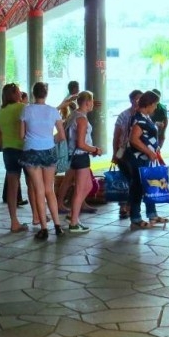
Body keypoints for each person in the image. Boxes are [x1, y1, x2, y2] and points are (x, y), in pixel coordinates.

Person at [19, 82, 66, 239]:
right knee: (49, 190)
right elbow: (61, 135)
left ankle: (44, 228)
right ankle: (58, 225)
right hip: (49, 150)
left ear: (33, 94)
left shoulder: (26, 110)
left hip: (31, 151)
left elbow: (21, 135)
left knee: (38, 190)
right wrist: (48, 139)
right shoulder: (53, 111)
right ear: (46, 94)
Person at [127, 90, 169, 230]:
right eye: (155, 104)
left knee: (148, 185)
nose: (156, 107)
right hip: (139, 158)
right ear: (149, 104)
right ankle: (136, 218)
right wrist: (148, 151)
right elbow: (133, 139)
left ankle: (152, 214)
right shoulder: (139, 118)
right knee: (138, 188)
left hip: (146, 158)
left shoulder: (145, 117)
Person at [0, 83, 35, 233]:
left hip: (8, 150)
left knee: (12, 187)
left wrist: (4, 146)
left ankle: (14, 221)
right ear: (13, 94)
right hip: (24, 149)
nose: (20, 93)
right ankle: (36, 216)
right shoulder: (22, 107)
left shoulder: (1, 111)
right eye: (18, 91)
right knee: (31, 182)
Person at [66, 91, 102, 233]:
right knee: (81, 189)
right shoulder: (81, 119)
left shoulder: (73, 114)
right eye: (92, 101)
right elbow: (80, 143)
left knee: (87, 186)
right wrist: (95, 150)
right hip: (80, 155)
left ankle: (72, 215)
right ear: (87, 102)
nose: (93, 104)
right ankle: (74, 222)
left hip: (78, 156)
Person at [111, 89, 143, 219]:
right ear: (131, 100)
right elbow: (116, 136)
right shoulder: (123, 115)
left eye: (141, 99)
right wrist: (114, 153)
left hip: (138, 153)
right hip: (124, 152)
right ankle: (123, 206)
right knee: (124, 179)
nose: (138, 101)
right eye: (136, 99)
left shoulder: (143, 116)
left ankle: (131, 206)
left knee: (134, 180)